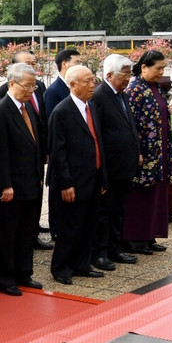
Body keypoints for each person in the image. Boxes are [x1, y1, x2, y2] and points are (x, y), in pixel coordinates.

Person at [47, 65, 107, 285]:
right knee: (70, 227)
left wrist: (103, 177)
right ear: (73, 85)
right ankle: (61, 267)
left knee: (88, 225)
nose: (92, 85)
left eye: (93, 80)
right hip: (73, 181)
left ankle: (82, 264)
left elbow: (98, 142)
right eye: (87, 81)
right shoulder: (61, 112)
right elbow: (57, 152)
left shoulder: (91, 107)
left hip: (93, 177)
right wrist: (66, 183)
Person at [0, 63, 45, 296]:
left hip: (31, 182)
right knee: (7, 233)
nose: (32, 90)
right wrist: (4, 184)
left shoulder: (28, 108)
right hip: (12, 186)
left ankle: (24, 273)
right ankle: (4, 277)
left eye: (34, 86)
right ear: (12, 83)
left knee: (27, 231)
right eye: (27, 86)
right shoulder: (1, 111)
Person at [89, 55, 141, 271]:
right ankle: (100, 253)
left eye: (130, 73)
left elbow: (129, 126)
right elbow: (98, 134)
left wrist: (136, 150)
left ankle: (115, 248)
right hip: (110, 165)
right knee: (104, 211)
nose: (128, 78)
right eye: (125, 74)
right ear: (109, 75)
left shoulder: (122, 95)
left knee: (118, 208)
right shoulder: (99, 96)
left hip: (124, 165)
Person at [122, 50, 172, 255]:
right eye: (158, 68)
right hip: (144, 152)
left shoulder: (155, 87)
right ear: (144, 67)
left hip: (158, 150)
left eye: (163, 68)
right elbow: (131, 124)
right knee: (140, 196)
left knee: (155, 194)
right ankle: (135, 239)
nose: (161, 72)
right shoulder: (134, 90)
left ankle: (150, 235)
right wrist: (138, 152)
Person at [43, 48, 81, 121]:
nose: (80, 66)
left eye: (80, 63)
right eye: (76, 62)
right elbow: (52, 120)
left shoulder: (79, 86)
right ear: (64, 64)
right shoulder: (52, 91)